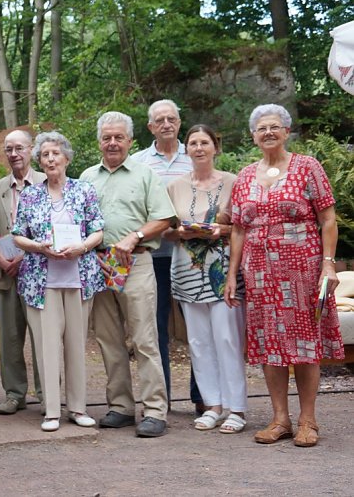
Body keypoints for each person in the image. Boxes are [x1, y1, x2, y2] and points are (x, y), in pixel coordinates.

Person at [224, 104, 344, 447]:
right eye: (261, 128)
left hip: (303, 270)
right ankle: (280, 419)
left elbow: (328, 220)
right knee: (268, 345)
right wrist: (233, 275)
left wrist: (328, 263)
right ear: (252, 136)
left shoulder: (307, 167)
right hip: (259, 274)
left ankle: (308, 420)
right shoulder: (245, 175)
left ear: (287, 131)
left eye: (274, 127)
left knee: (304, 344)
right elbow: (237, 229)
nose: (268, 133)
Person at [79, 111, 176, 438]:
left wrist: (134, 236)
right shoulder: (87, 177)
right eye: (106, 137)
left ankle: (155, 410)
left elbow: (164, 218)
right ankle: (120, 406)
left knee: (144, 339)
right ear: (99, 142)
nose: (112, 143)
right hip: (99, 264)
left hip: (136, 262)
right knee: (108, 339)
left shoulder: (145, 174)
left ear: (130, 141)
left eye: (119, 137)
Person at [12, 132, 104, 432]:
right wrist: (39, 247)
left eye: (55, 153)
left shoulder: (84, 190)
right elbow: (17, 235)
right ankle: (51, 410)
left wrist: (83, 247)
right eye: (45, 155)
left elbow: (97, 230)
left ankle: (78, 409)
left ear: (67, 157)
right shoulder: (30, 195)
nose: (50, 159)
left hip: (79, 277)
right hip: (42, 281)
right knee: (47, 345)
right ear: (40, 161)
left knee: (77, 345)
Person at [166, 125, 248, 433]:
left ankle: (237, 408)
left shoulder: (233, 182)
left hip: (223, 271)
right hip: (187, 270)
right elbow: (166, 230)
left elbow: (242, 226)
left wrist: (220, 230)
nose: (198, 148)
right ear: (186, 149)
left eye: (204, 142)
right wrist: (181, 232)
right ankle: (212, 405)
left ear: (216, 147)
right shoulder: (174, 186)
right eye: (193, 143)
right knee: (199, 342)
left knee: (227, 338)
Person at [132, 100, 197, 409]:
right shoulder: (139, 162)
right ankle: (163, 398)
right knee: (154, 329)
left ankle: (203, 397)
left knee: (197, 327)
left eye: (172, 118)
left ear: (179, 122)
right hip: (154, 257)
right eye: (160, 120)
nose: (167, 124)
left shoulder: (196, 153)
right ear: (150, 127)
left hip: (193, 255)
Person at [0, 130, 46, 415]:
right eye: (9, 149)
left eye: (19, 148)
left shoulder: (46, 183)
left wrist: (23, 257)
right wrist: (0, 256)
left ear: (31, 150)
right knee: (9, 338)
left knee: (42, 336)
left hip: (37, 270)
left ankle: (47, 393)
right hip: (4, 273)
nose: (14, 154)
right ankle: (14, 394)